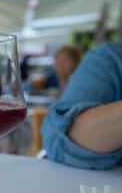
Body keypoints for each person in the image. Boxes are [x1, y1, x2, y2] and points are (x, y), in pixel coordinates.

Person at [41, 42, 122, 170]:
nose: (58, 64)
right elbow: (58, 136)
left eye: (64, 61)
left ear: (74, 62)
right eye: (58, 60)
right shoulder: (108, 59)